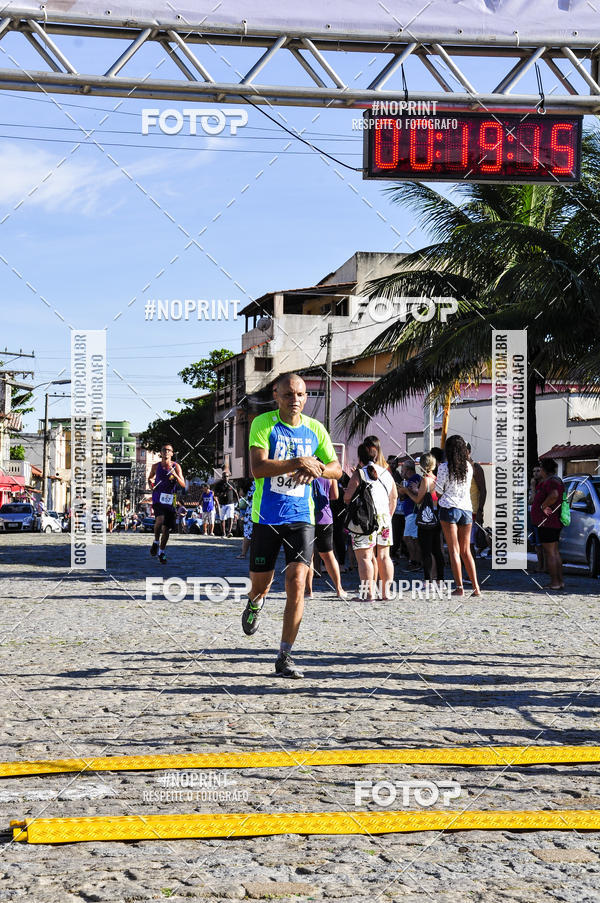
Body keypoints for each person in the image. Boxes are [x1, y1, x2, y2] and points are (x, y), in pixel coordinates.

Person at [242, 372, 342, 679]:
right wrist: (298, 461)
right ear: (276, 394)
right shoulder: (264, 424)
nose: (294, 400)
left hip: (303, 517)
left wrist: (319, 467)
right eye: (288, 394)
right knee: (262, 584)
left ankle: (285, 655)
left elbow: (337, 470)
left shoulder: (316, 429)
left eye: (300, 394)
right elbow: (258, 468)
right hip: (267, 518)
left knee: (297, 583)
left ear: (306, 397)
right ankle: (254, 602)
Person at [344, 443, 397, 601]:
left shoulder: (359, 474)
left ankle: (368, 594)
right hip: (384, 519)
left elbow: (347, 497)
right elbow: (394, 497)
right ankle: (386, 593)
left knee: (365, 557)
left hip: (364, 520)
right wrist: (388, 515)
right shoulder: (386, 473)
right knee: (384, 556)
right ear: (376, 455)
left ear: (360, 458)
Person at [435, 434, 480, 596]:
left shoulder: (443, 468)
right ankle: (476, 588)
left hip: (449, 508)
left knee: (454, 550)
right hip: (466, 509)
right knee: (466, 551)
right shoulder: (469, 467)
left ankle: (459, 587)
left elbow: (439, 492)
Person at [404, 453, 444, 584]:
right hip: (436, 516)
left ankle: (428, 580)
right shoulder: (436, 478)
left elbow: (417, 499)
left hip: (426, 519)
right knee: (437, 550)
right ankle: (440, 579)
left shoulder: (425, 480)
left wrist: (407, 491)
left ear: (422, 465)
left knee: (426, 550)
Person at [305, 476, 347, 599]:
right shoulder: (330, 473)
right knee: (328, 555)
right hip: (325, 517)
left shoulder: (305, 469)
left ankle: (308, 591)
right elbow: (334, 495)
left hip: (306, 517)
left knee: (308, 557)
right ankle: (339, 589)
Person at [531, 458, 565, 590]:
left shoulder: (551, 482)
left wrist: (543, 506)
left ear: (544, 469)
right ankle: (559, 581)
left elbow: (554, 495)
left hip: (547, 522)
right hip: (552, 522)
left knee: (550, 553)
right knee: (555, 552)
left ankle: (555, 582)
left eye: (540, 468)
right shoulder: (554, 480)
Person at [148, 444, 185, 564]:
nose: (166, 452)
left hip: (170, 499)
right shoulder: (155, 466)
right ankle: (156, 542)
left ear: (172, 453)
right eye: (164, 450)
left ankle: (161, 552)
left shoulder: (176, 466)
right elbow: (150, 478)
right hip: (158, 497)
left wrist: (174, 475)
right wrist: (151, 485)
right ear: (161, 452)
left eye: (169, 450)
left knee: (166, 529)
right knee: (159, 520)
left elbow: (183, 484)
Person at [396, 461, 422, 570]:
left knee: (407, 537)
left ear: (408, 470)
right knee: (413, 538)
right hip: (409, 513)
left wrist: (404, 490)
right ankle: (416, 561)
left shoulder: (414, 478)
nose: (402, 472)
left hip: (413, 512)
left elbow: (413, 493)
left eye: (403, 470)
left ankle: (415, 561)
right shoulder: (408, 480)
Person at [467, 443, 488, 558]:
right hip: (462, 509)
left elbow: (483, 490)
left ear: (469, 451)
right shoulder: (459, 467)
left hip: (473, 510)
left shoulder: (475, 467)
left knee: (469, 543)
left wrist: (480, 509)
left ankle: (471, 573)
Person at [528, 464, 544, 572]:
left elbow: (533, 499)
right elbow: (529, 501)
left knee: (541, 543)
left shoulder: (543, 485)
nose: (535, 473)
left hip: (540, 518)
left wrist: (533, 487)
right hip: (532, 516)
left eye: (538, 471)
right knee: (536, 544)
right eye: (534, 471)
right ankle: (540, 565)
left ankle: (543, 566)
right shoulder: (534, 484)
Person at [236, 480, 254, 559]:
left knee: (247, 534)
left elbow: (241, 494)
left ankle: (243, 554)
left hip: (251, 512)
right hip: (263, 512)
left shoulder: (249, 486)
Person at [216, 472, 237, 537]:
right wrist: (222, 494)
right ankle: (223, 532)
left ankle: (229, 532)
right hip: (222, 504)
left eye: (227, 476)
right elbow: (216, 494)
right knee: (222, 519)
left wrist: (238, 501)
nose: (226, 478)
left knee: (230, 517)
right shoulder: (219, 484)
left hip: (230, 503)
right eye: (224, 477)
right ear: (222, 477)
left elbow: (235, 492)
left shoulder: (231, 484)